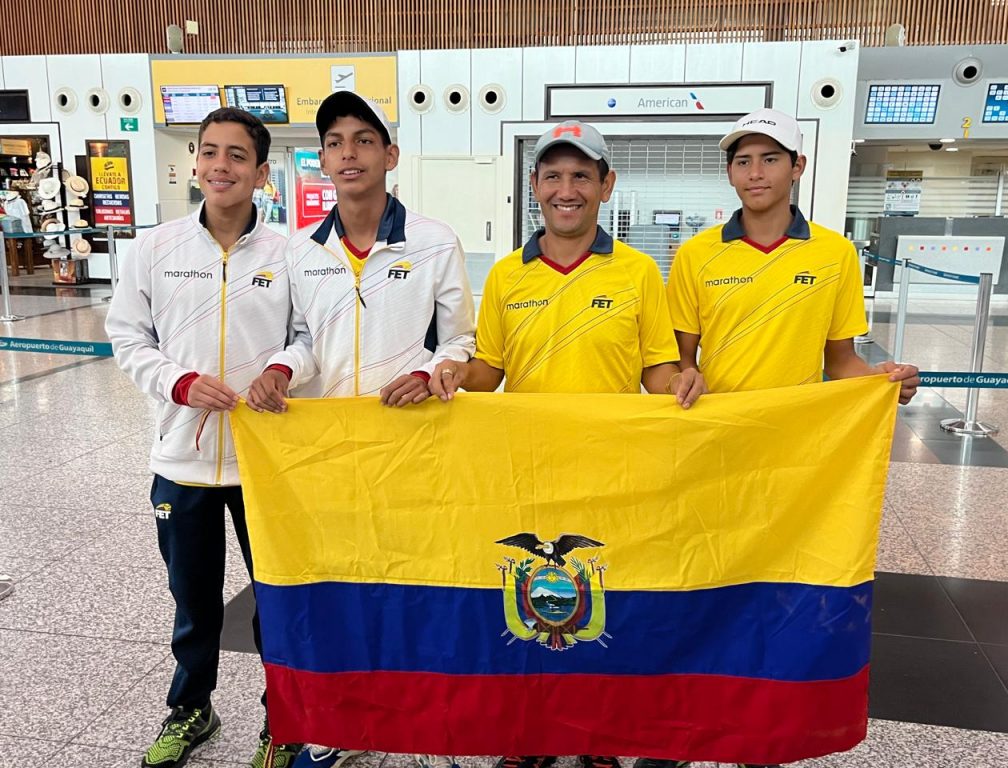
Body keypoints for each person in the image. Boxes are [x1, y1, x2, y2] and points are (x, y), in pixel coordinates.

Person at [637, 108, 921, 768]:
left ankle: (757, 730)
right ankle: (682, 728)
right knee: (697, 584)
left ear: (798, 167)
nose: (755, 172)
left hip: (792, 456)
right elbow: (678, 363)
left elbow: (841, 360)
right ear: (730, 172)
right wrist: (682, 380)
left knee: (771, 593)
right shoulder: (697, 255)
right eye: (743, 160)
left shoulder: (833, 254)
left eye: (770, 158)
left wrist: (884, 381)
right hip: (711, 449)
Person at [428, 119, 705, 768]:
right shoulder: (508, 276)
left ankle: (599, 734)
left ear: (606, 185)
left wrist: (681, 382)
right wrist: (455, 372)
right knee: (530, 604)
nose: (566, 189)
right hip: (529, 472)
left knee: (601, 608)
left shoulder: (639, 272)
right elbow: (490, 371)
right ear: (534, 185)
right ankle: (530, 734)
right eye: (553, 175)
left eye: (582, 175)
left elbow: (656, 369)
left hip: (611, 474)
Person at [246, 90, 476, 768]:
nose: (349, 153)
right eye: (335, 142)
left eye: (364, 140)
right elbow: (303, 339)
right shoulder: (302, 250)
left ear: (390, 155)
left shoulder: (433, 242)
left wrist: (432, 371)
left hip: (412, 446)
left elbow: (461, 340)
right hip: (331, 453)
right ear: (321, 160)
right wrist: (281, 369)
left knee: (417, 586)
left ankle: (425, 723)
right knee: (343, 588)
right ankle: (343, 723)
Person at [105, 107, 300, 768]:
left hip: (263, 463)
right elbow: (127, 335)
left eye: (237, 155)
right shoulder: (154, 248)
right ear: (195, 162)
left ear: (261, 173)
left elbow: (310, 336)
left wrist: (284, 367)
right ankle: (192, 708)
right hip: (181, 459)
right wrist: (178, 382)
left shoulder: (290, 254)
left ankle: (284, 718)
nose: (221, 166)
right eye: (210, 151)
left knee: (276, 600)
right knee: (193, 602)